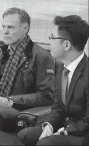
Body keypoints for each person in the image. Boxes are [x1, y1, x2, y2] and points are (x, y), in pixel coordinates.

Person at [17, 15, 89, 146]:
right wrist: (49, 126)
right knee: (25, 135)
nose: (49, 41)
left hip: (83, 134)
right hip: (66, 126)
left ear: (66, 45)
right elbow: (58, 107)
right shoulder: (62, 67)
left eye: (52, 37)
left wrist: (66, 131)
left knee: (45, 143)